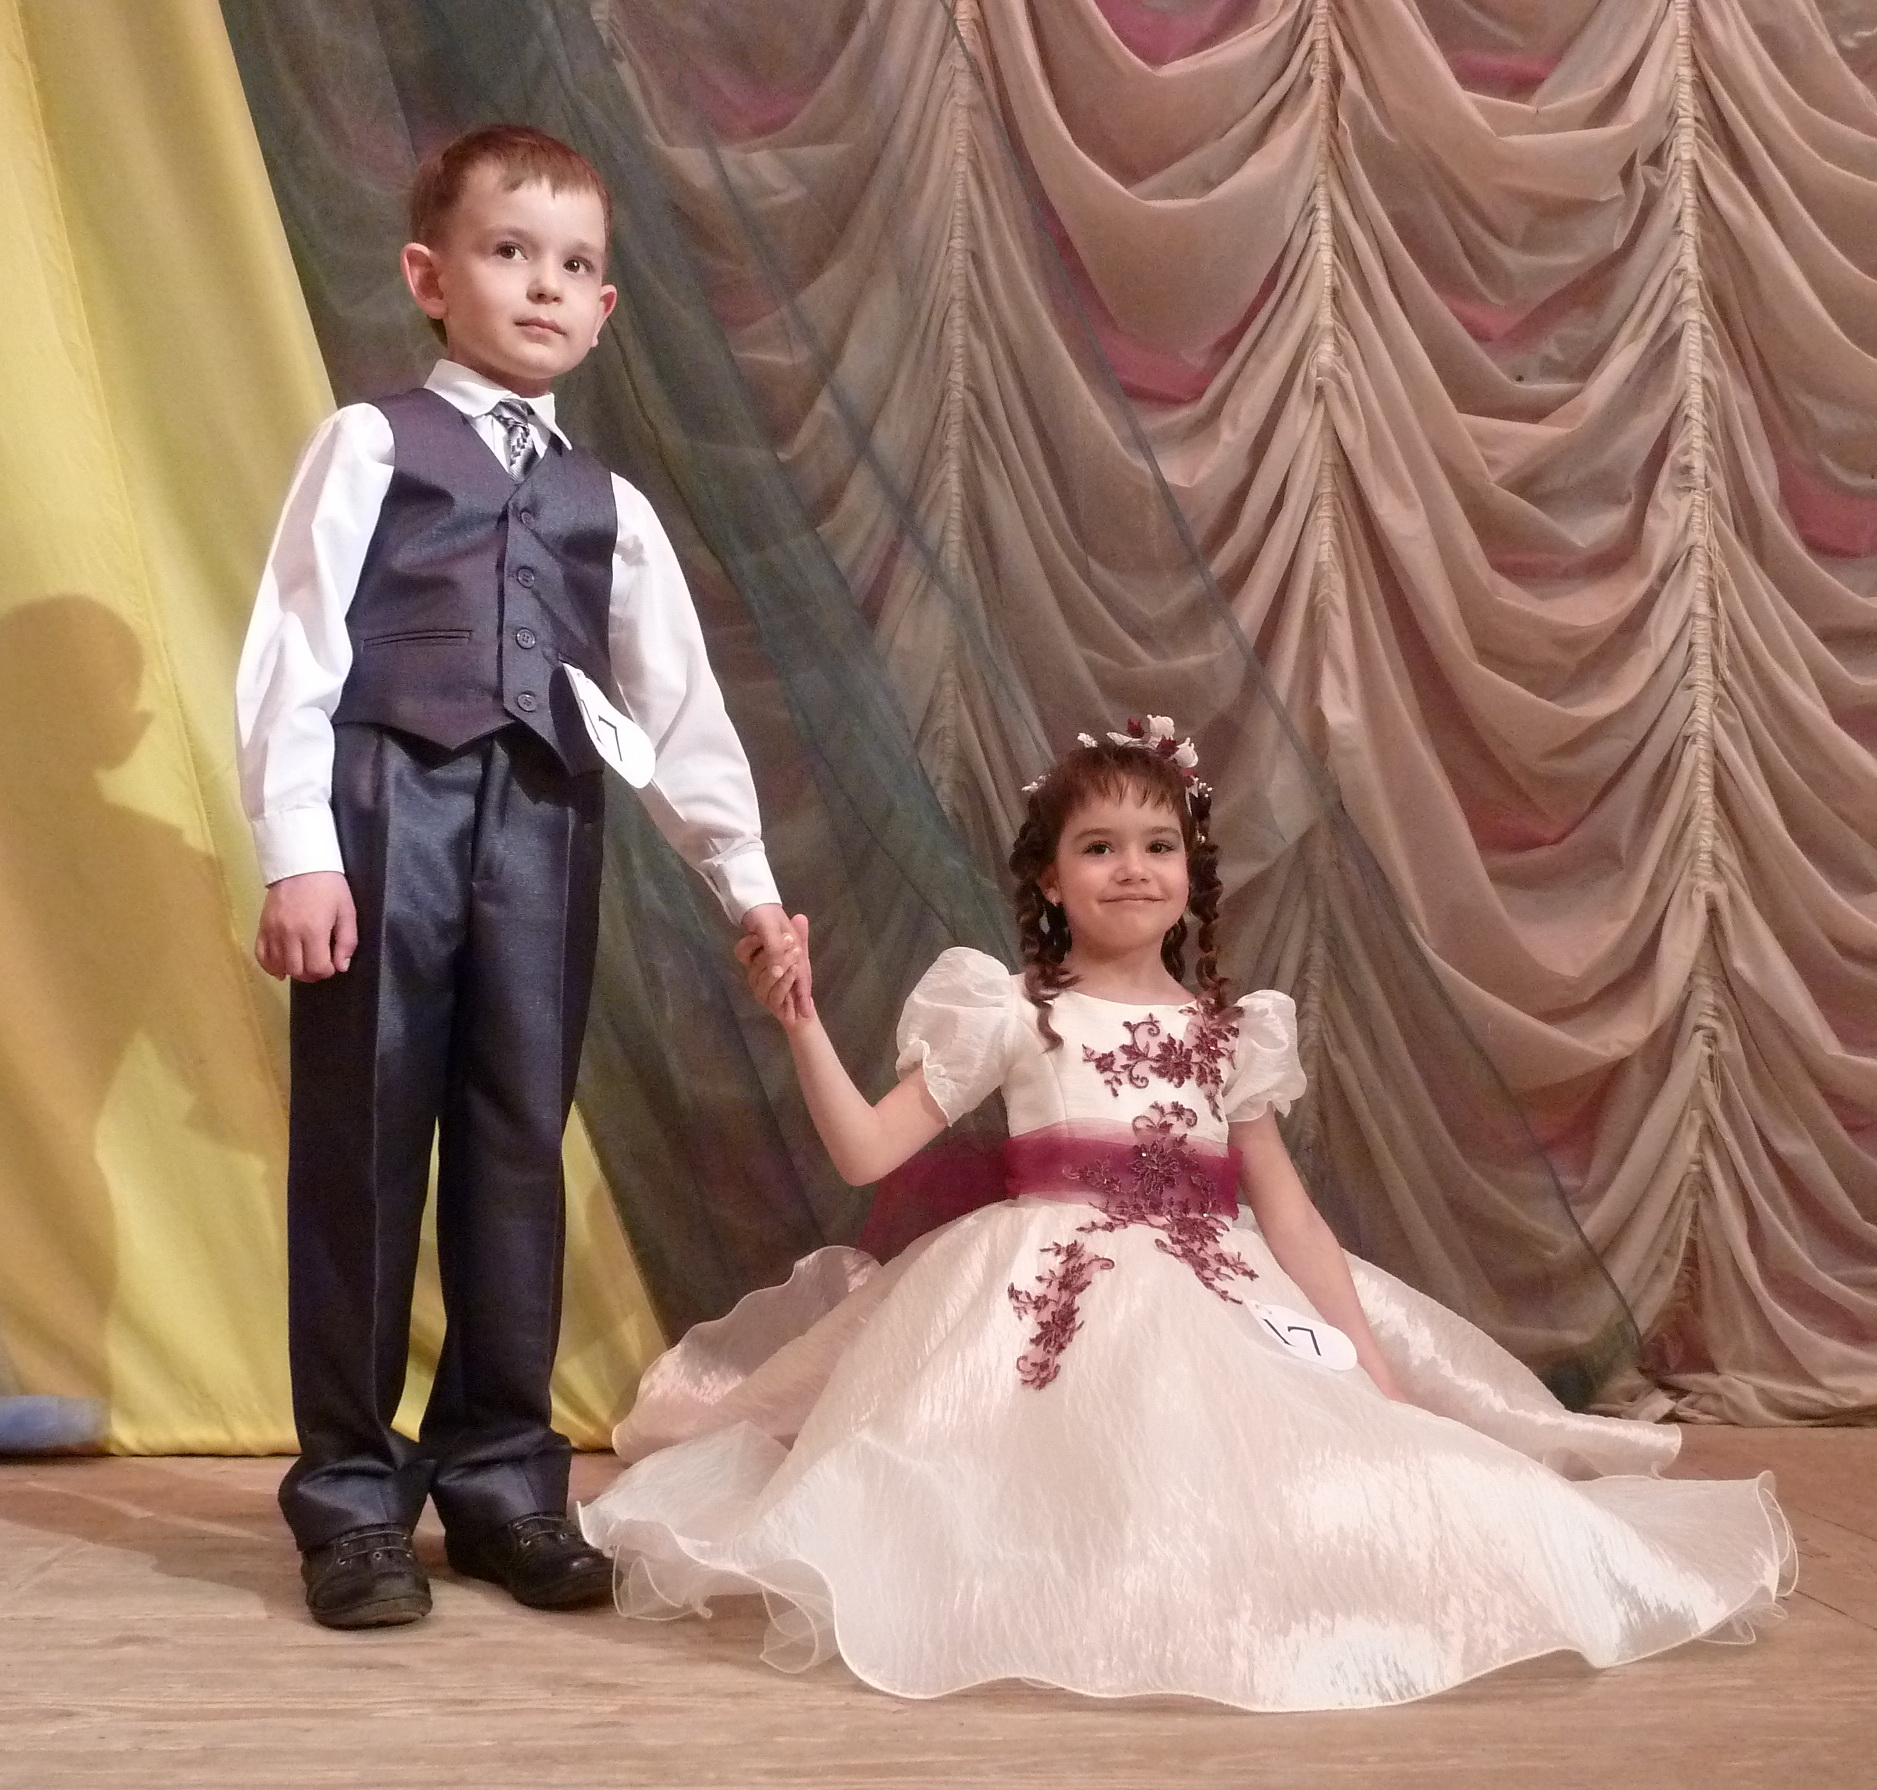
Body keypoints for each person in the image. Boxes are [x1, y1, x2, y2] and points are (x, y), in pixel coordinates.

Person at [580, 719, 1791, 1711]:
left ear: (1190, 873)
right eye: (1097, 846)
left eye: (1157, 844)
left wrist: (1370, 1366)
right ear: (1048, 877)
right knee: (1028, 1481)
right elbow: (863, 1149)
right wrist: (799, 1020)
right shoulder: (1008, 1010)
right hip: (1034, 1293)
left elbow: (1291, 1218)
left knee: (1350, 1470)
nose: (1131, 868)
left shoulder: (1229, 1033)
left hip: (1218, 1287)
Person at [235, 125, 799, 1631]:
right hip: (385, 815)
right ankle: (352, 1497)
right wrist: (301, 850)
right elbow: (295, 647)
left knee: (512, 1145)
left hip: (543, 829)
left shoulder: (609, 505)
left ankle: (499, 1477)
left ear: (603, 309)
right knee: (364, 1142)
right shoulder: (371, 445)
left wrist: (745, 883)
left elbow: (676, 706)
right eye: (508, 252)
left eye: (574, 265)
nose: (543, 284)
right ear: (431, 277)